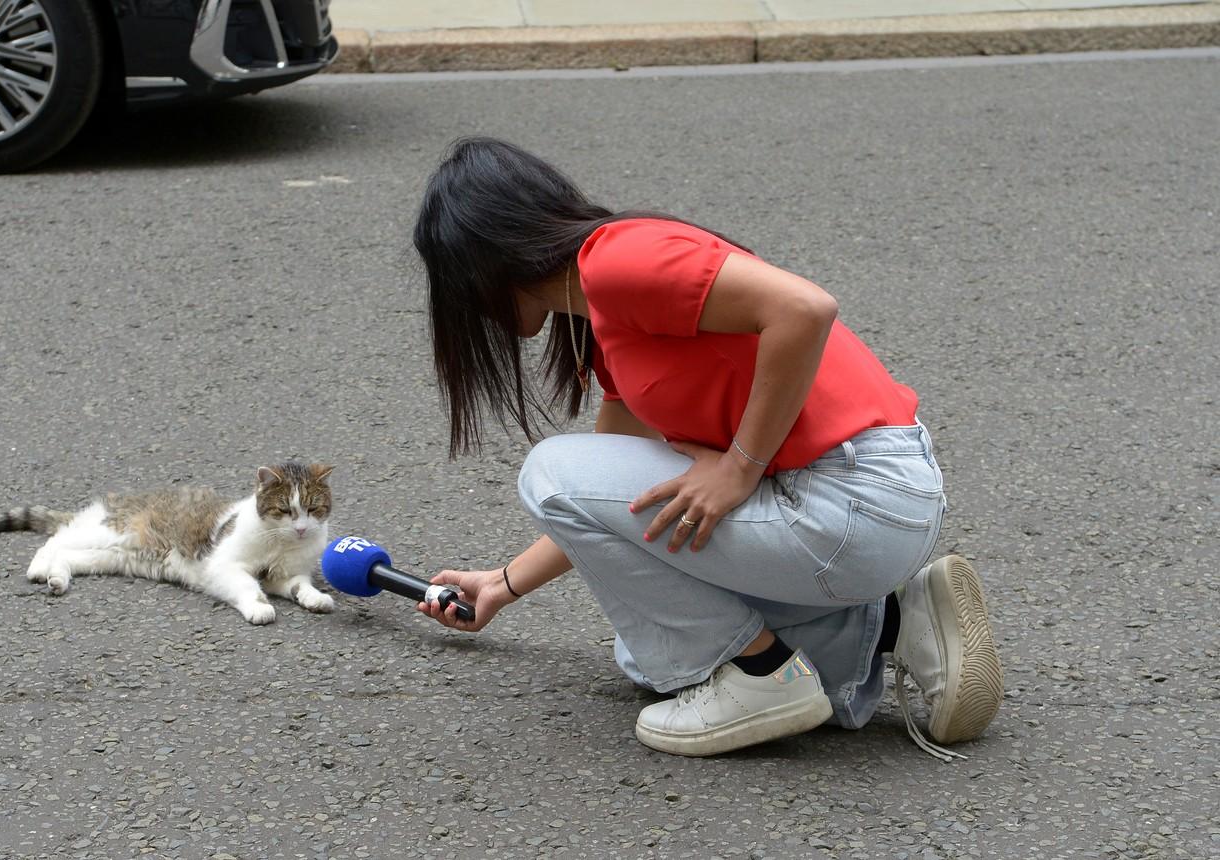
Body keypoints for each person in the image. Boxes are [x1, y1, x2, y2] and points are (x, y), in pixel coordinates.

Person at [410, 137, 1003, 759]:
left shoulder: (617, 261)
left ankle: (762, 675)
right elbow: (602, 503)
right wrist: (504, 584)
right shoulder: (605, 324)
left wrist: (740, 469)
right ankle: (895, 623)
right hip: (862, 506)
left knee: (550, 476)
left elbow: (805, 309)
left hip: (853, 500)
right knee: (648, 653)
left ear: (482, 262)